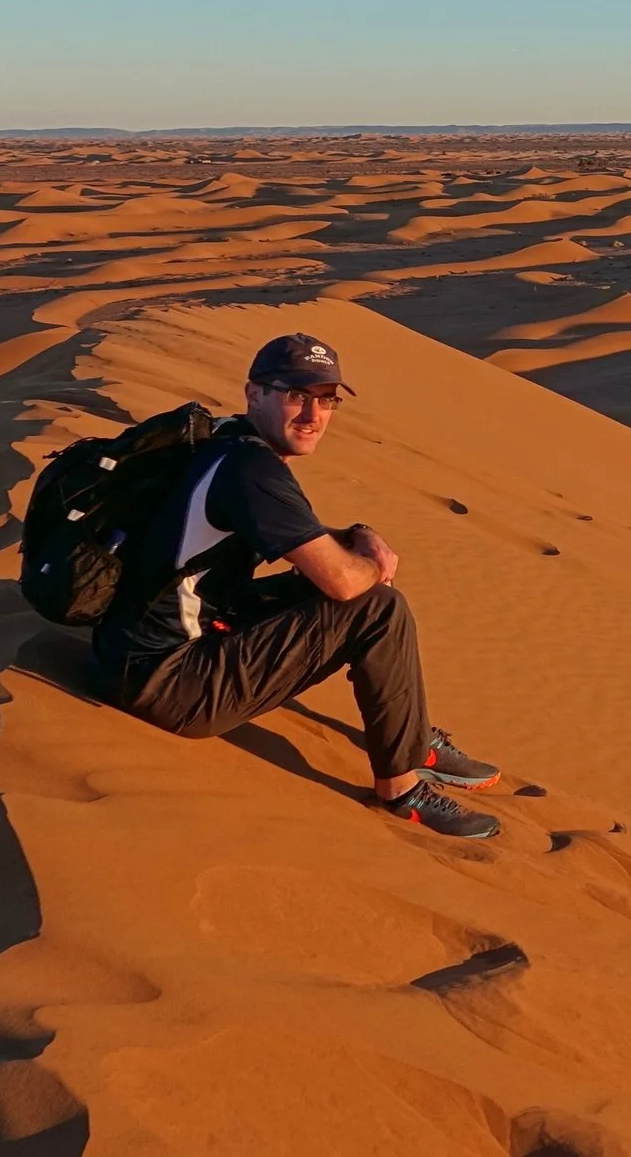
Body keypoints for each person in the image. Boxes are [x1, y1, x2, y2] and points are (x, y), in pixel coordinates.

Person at [91, 332, 506, 838]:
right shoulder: (252, 471)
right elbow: (343, 580)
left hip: (135, 651)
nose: (313, 415)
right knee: (377, 608)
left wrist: (359, 535)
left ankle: (411, 736)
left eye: (326, 399)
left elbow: (303, 539)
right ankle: (401, 787)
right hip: (169, 682)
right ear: (255, 394)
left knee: (332, 591)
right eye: (296, 395)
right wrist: (374, 559)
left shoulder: (224, 442)